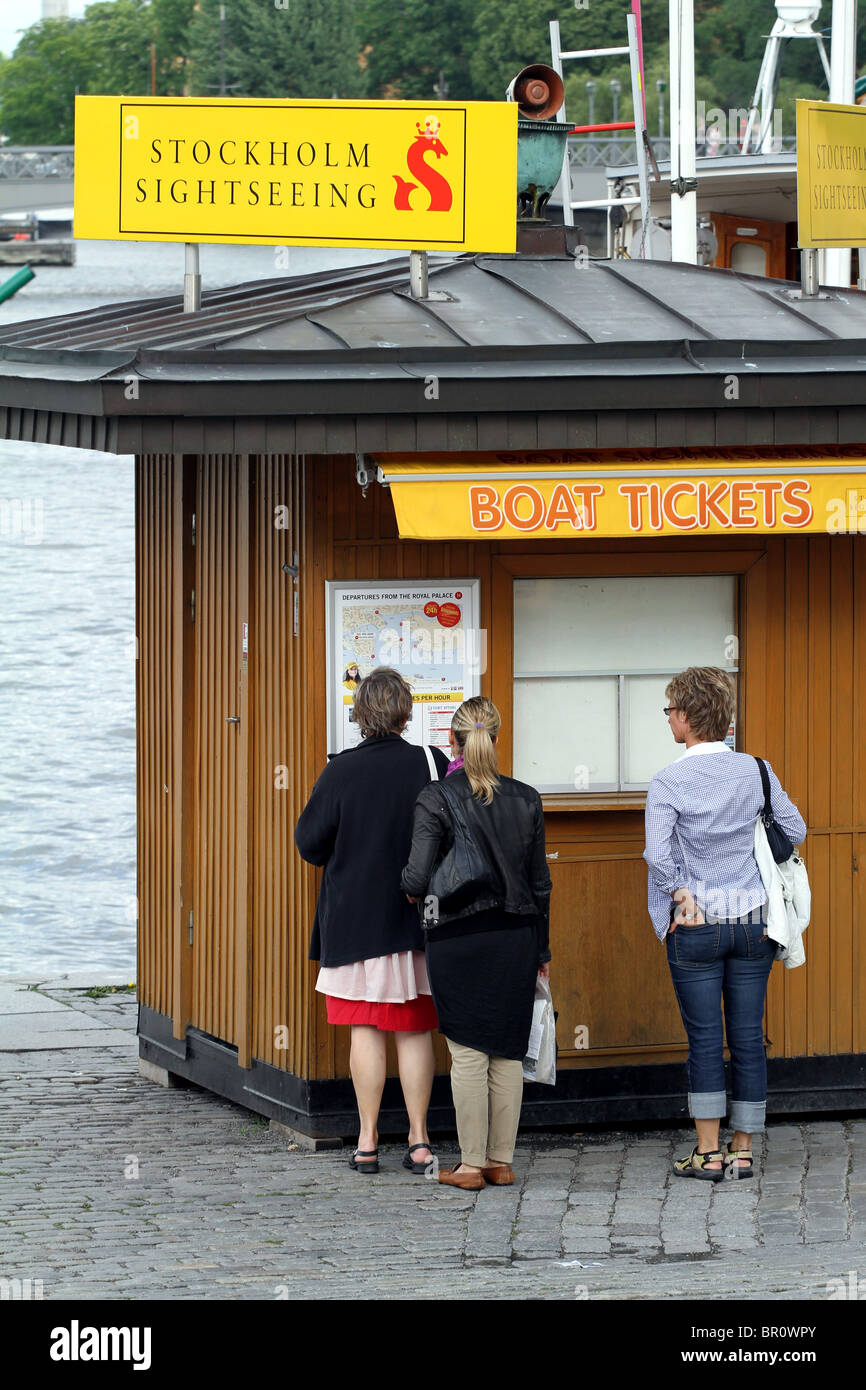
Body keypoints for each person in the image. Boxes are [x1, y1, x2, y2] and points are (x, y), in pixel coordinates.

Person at [643, 666, 807, 1181]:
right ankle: (742, 1151)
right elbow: (795, 828)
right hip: (755, 921)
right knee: (748, 1035)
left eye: (671, 710)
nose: (669, 719)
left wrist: (681, 896)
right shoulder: (756, 769)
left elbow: (657, 853)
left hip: (696, 922)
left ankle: (707, 1153)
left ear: (688, 718)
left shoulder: (669, 779)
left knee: (705, 1039)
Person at [295, 667, 449, 1175]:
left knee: (365, 1026)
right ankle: (421, 1140)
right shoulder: (431, 762)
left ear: (361, 714)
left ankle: (366, 1141)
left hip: (356, 919)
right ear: (406, 711)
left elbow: (309, 844)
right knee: (414, 1029)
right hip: (419, 919)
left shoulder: (340, 771)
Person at [400, 696, 552, 1191]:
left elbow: (418, 876)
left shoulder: (436, 796)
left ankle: (468, 1166)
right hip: (517, 938)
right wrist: (543, 952)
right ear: (497, 737)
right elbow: (540, 883)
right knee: (507, 1051)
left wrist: (405, 885)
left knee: (467, 1050)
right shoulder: (526, 798)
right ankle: (500, 1162)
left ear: (453, 740)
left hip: (457, 936)